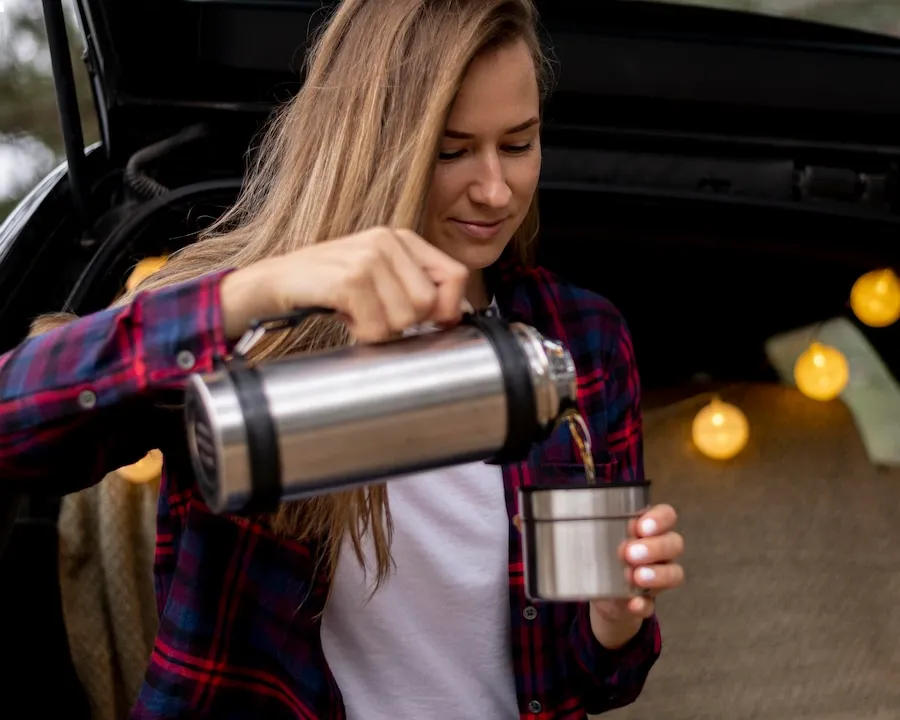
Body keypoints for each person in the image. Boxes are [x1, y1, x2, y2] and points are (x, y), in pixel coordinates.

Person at [0, 0, 686, 717]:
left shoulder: (581, 339)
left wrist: (614, 622)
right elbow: (13, 419)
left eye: (518, 144)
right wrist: (256, 288)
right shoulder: (236, 323)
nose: (494, 189)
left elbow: (586, 681)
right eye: (451, 151)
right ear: (374, 142)